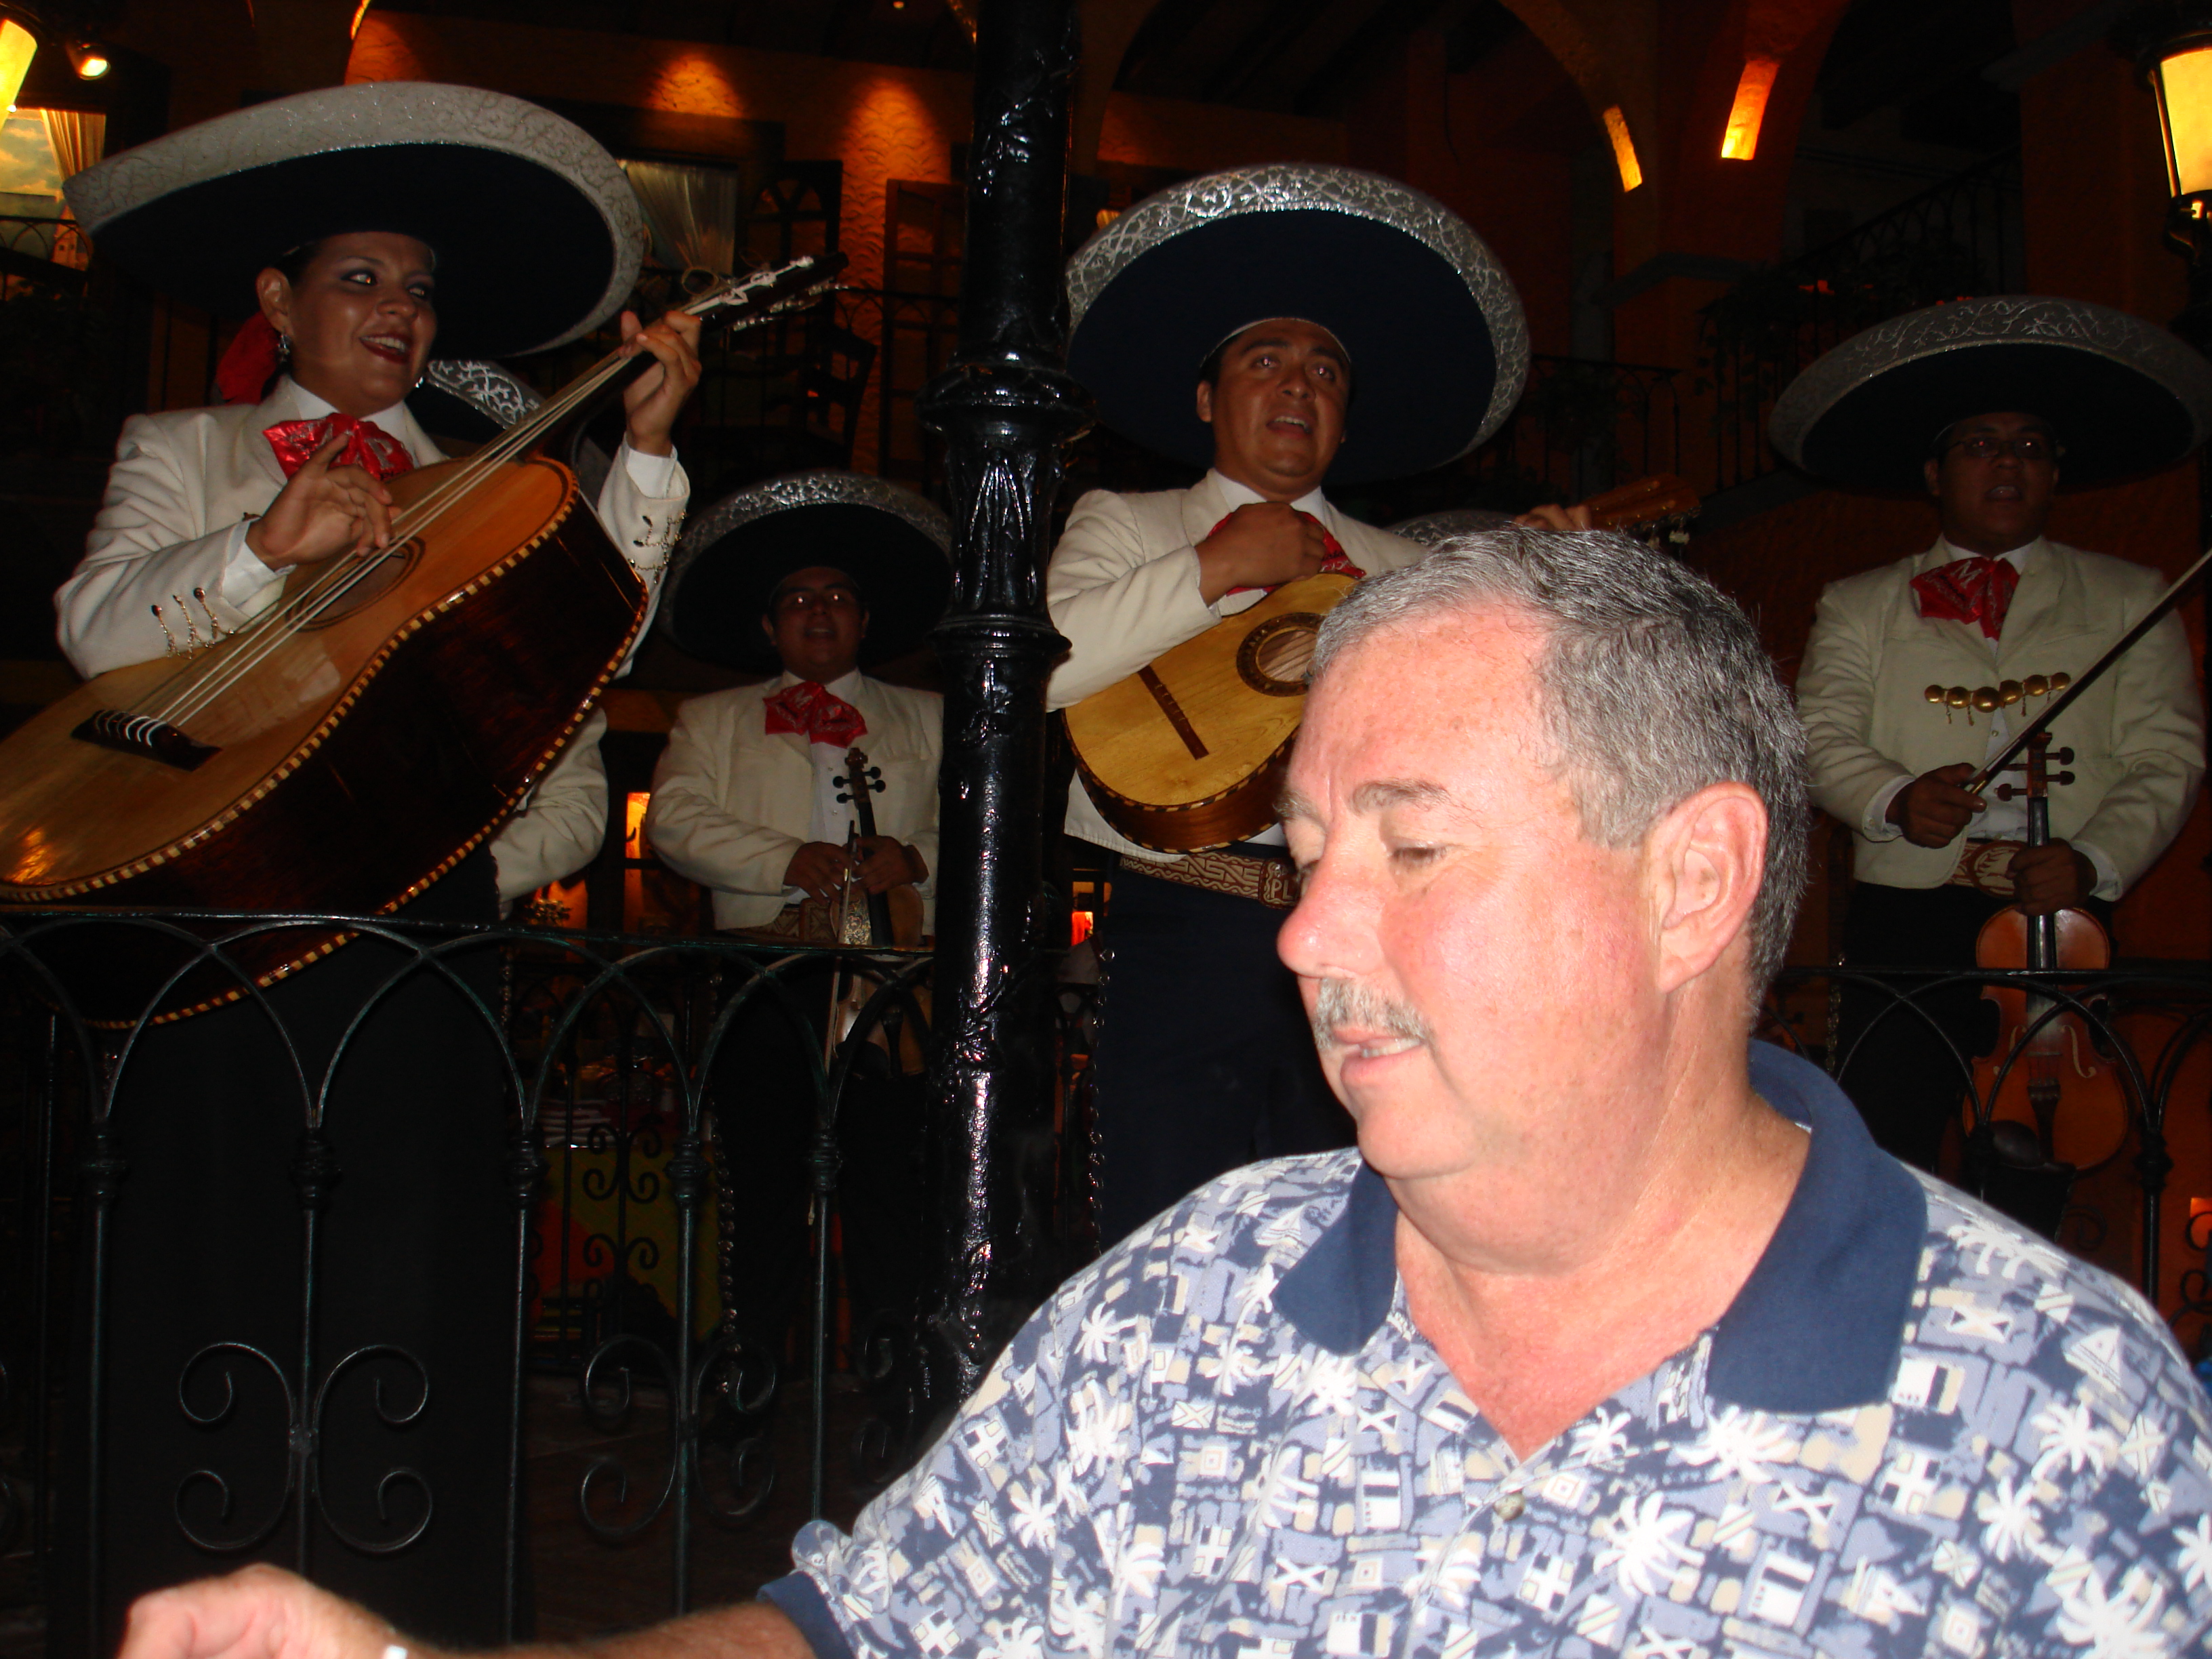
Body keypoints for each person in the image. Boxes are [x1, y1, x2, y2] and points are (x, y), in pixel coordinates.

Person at [115, 525, 2212, 1659]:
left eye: (1410, 844)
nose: (1309, 935)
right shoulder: (1192, 1301)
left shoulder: (2055, 1424)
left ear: (1692, 883)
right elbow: (854, 1641)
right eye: (1303, 854)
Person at [45, 81, 701, 1650]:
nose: (399, 309)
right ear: (277, 302)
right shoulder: (185, 446)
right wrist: (257, 548)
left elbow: (580, 653)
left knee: (412, 1286)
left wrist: (643, 459)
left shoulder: (491, 470)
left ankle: (404, 1612)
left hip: (418, 948)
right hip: (217, 931)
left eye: (419, 287)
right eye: (360, 278)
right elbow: (93, 631)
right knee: (210, 1270)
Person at [1050, 163, 1533, 1245]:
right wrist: (1211, 569)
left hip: (1366, 923)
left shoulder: (1408, 566)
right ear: (1207, 401)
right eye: (1263, 361)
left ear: (1345, 422)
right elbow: (1041, 671)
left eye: (1325, 372)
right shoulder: (1127, 523)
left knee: (1351, 1223)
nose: (1297, 388)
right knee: (1166, 1228)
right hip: (1182, 920)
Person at [1778, 295, 2209, 1175]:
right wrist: (1894, 797)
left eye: (2030, 447)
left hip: (2060, 917)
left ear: (2054, 475)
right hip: (1909, 920)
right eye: (1981, 445)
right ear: (1935, 475)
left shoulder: (2133, 595)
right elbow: (1816, 732)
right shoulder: (1860, 602)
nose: (2008, 463)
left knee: (2034, 1158)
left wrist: (2094, 859)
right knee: (1885, 1151)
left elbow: (2168, 755)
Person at [644, 471, 949, 1399]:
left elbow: (986, 832)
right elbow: (674, 823)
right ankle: (751, 1381)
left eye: (839, 597)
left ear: (866, 621)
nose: (820, 611)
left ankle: (894, 1387)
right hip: (765, 977)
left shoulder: (933, 718)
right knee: (764, 1187)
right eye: (800, 600)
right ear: (770, 627)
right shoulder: (711, 720)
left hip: (891, 982)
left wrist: (917, 857)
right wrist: (785, 858)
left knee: (889, 1188)